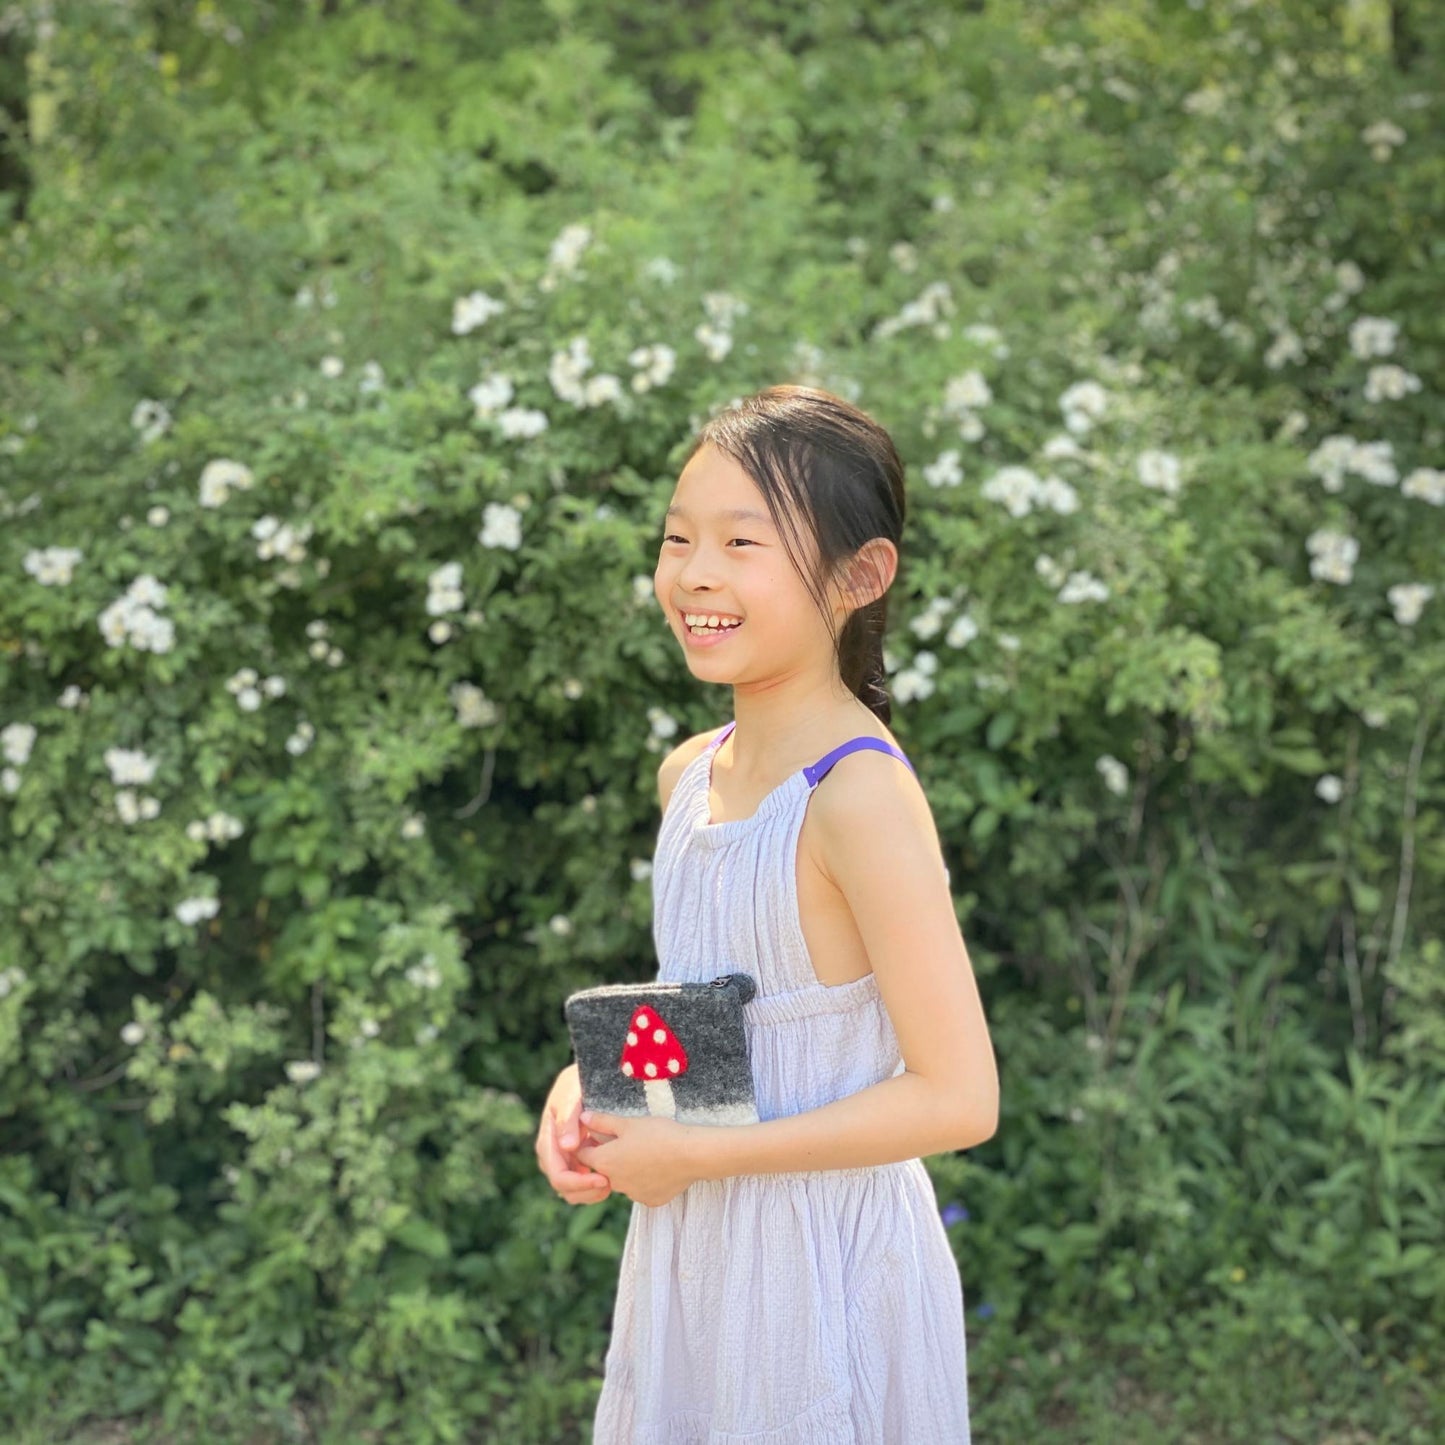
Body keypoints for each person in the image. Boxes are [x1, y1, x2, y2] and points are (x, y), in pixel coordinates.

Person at [535, 384, 999, 1442]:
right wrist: (586, 1089)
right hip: (695, 1256)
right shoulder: (688, 775)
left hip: (823, 1262)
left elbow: (959, 1096)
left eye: (743, 542)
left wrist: (695, 1157)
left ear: (857, 575)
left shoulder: (857, 797)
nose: (696, 572)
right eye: (677, 538)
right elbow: (711, 1018)